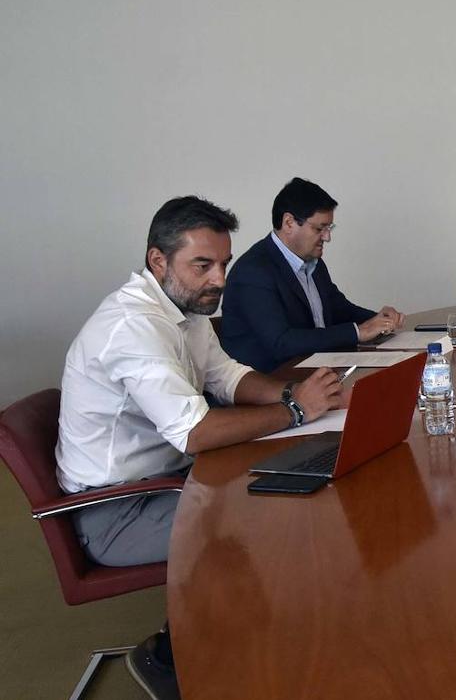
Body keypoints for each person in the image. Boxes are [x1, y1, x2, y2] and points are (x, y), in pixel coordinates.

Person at [56, 196, 347, 699]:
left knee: (284, 490)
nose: (219, 279)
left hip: (167, 479)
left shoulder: (183, 308)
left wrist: (294, 395)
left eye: (224, 263)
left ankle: (250, 634)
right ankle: (168, 659)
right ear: (158, 261)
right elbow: (193, 431)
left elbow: (227, 377)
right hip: (116, 510)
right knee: (262, 517)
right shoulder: (133, 327)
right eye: (203, 265)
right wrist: (296, 412)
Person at [220, 178, 405, 372]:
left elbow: (339, 309)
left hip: (315, 370)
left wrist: (380, 319)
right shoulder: (253, 271)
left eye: (329, 228)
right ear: (289, 223)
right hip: (271, 383)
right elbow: (281, 342)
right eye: (319, 228)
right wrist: (358, 331)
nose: (327, 237)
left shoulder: (312, 261)